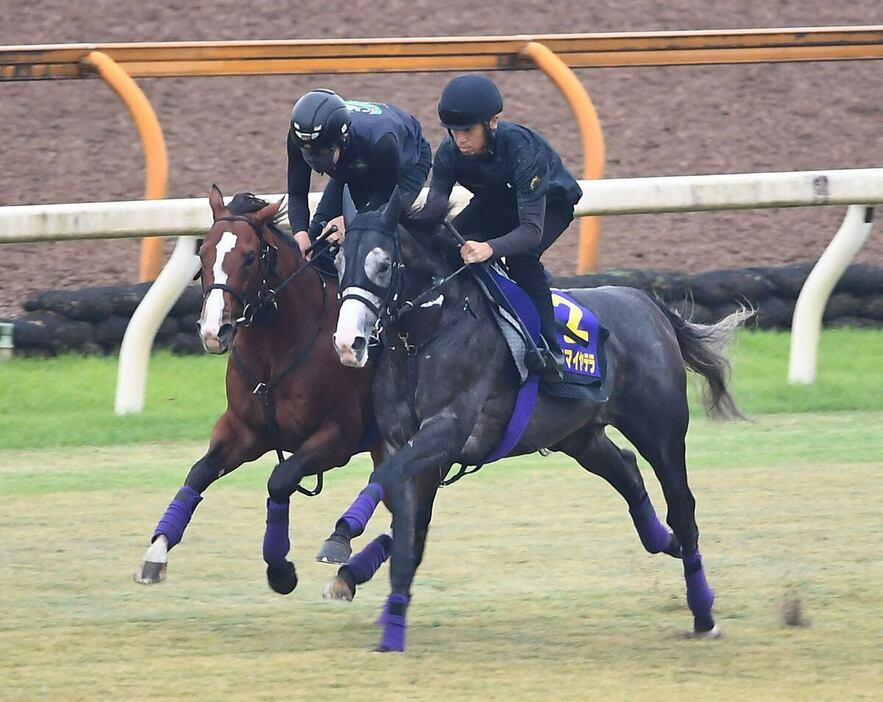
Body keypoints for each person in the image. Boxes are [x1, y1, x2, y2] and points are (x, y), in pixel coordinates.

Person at [425, 74, 583, 378]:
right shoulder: (448, 153)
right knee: (443, 246)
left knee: (521, 258)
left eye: (467, 130)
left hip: (548, 206)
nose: (460, 140)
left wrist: (489, 248)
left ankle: (551, 350)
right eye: (452, 131)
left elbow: (530, 231)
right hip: (497, 201)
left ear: (492, 122)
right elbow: (433, 217)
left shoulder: (523, 148)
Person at [287, 89, 431, 257]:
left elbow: (388, 195)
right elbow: (297, 194)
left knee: (368, 235)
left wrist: (349, 222)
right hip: (353, 163)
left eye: (322, 153)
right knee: (317, 237)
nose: (314, 160)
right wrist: (301, 234)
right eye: (308, 153)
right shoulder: (300, 139)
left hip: (404, 167)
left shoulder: (381, 141)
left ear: (341, 139)